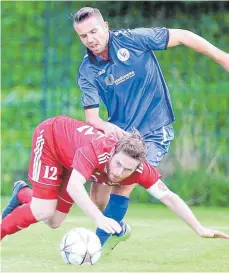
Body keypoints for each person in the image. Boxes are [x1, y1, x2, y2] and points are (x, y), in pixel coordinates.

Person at [71, 7, 229, 246]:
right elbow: (92, 118)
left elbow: (184, 36)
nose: (91, 39)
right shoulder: (87, 69)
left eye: (94, 31)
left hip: (155, 130)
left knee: (123, 185)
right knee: (98, 197)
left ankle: (94, 248)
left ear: (106, 26)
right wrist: (107, 127)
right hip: (120, 133)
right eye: (84, 36)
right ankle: (119, 227)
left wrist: (222, 56)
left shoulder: (134, 40)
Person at [1, 115, 229, 245]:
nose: (119, 172)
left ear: (138, 167)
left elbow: (169, 197)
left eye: (127, 169)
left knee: (53, 222)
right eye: (117, 164)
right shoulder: (97, 150)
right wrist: (99, 218)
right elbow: (74, 186)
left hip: (72, 158)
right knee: (42, 211)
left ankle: (22, 193)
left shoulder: (140, 169)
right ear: (113, 153)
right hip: (51, 138)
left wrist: (199, 228)